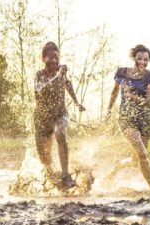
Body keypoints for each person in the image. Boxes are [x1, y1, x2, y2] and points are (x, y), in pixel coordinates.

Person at [105, 44, 150, 190]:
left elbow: (149, 99)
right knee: (142, 153)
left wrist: (132, 96)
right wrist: (109, 110)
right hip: (126, 118)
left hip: (146, 120)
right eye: (139, 58)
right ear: (133, 58)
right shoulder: (122, 72)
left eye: (146, 60)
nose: (142, 62)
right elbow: (114, 92)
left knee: (137, 160)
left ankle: (116, 168)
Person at [34, 42, 85, 188]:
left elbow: (68, 85)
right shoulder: (39, 75)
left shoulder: (61, 73)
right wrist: (58, 76)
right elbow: (40, 92)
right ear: (43, 59)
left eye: (57, 59)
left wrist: (76, 102)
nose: (54, 63)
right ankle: (51, 178)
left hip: (60, 114)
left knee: (60, 133)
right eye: (50, 60)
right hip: (42, 119)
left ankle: (65, 175)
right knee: (45, 158)